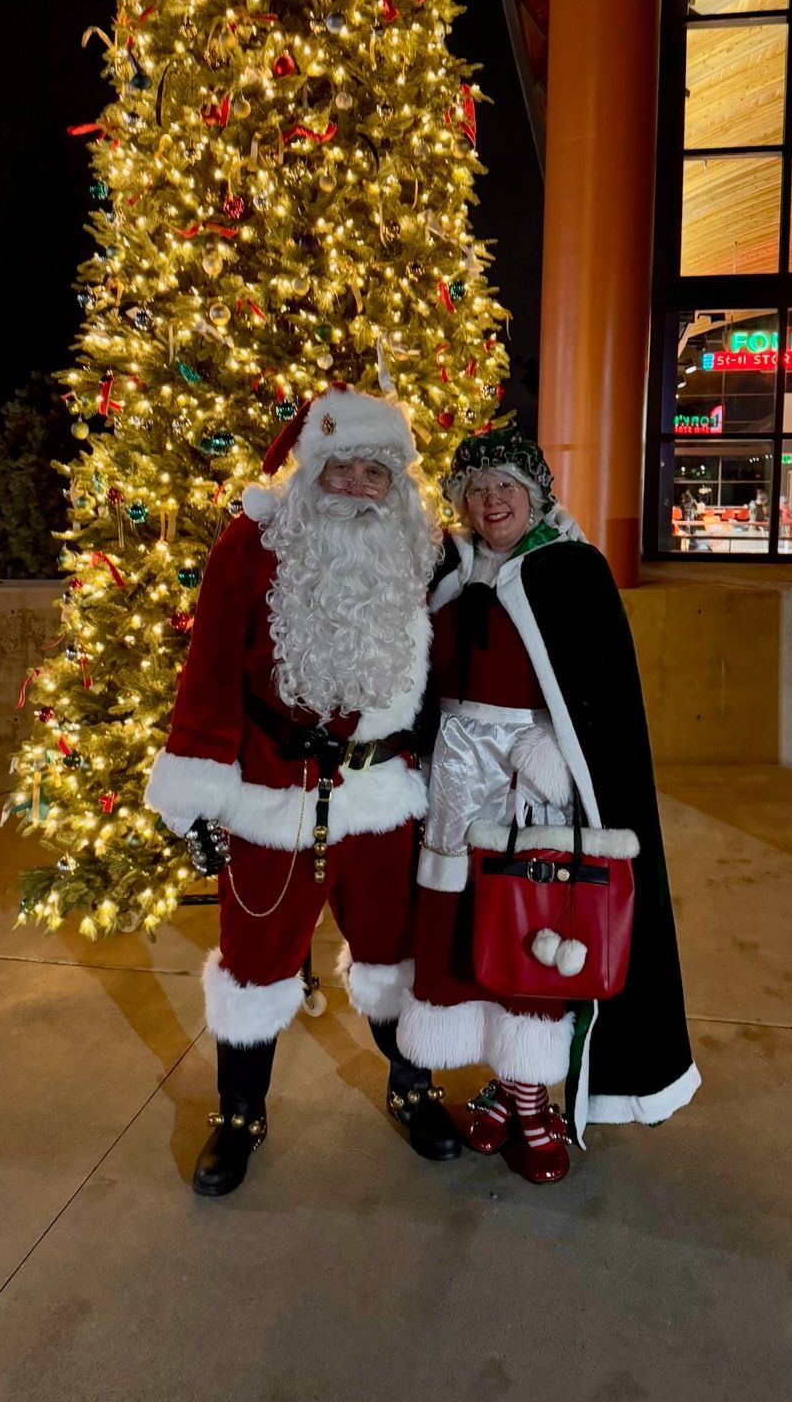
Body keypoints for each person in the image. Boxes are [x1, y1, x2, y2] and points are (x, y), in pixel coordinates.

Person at [145, 387, 460, 1196]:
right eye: (340, 469)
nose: (357, 485)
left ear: (397, 484)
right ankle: (240, 1115)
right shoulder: (251, 546)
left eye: (375, 472)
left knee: (397, 951)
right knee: (253, 966)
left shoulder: (423, 551)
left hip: (385, 797)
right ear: (310, 470)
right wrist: (197, 792)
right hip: (274, 799)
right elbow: (209, 673)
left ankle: (412, 1086)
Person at [397, 426, 699, 1185]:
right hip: (454, 785)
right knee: (469, 935)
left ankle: (534, 1101)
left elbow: (602, 695)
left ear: (534, 494)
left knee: (528, 934)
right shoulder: (447, 570)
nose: (491, 500)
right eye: (476, 489)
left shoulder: (572, 571)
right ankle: (504, 1084)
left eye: (506, 486)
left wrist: (562, 754)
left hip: (532, 787)